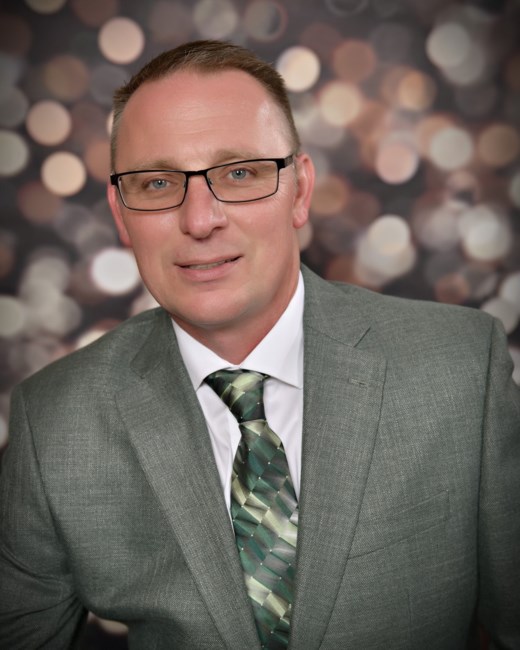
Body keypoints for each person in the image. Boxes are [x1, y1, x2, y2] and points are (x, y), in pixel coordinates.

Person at [0, 39, 518, 650]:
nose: (200, 220)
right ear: (121, 213)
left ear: (299, 191)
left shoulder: (461, 369)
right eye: (157, 182)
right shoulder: (53, 424)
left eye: (239, 173)